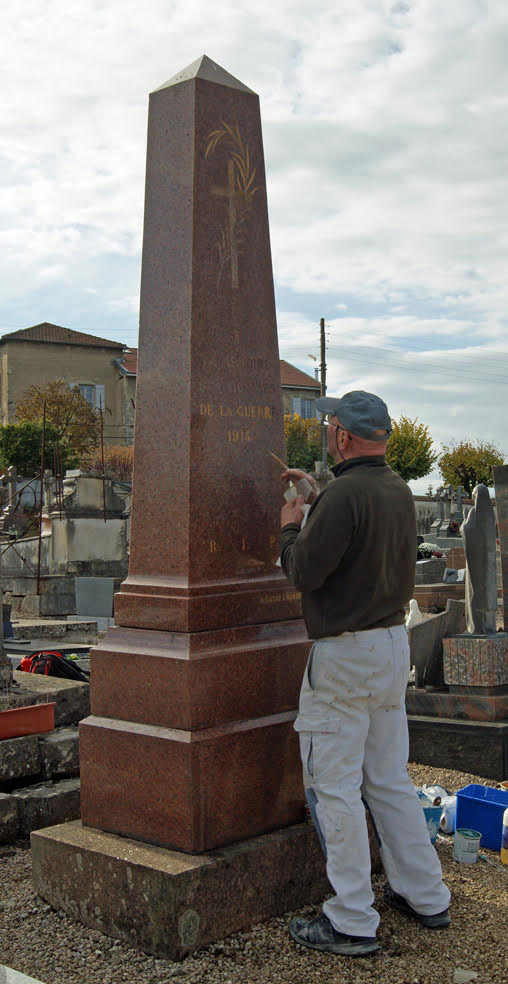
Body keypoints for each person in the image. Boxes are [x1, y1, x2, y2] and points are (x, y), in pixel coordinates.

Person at [279, 390, 450, 958]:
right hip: (390, 646)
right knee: (388, 779)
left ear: (344, 437)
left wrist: (290, 526)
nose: (327, 429)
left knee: (334, 787)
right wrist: (317, 498)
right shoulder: (396, 488)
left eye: (330, 423)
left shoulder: (345, 495)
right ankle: (425, 894)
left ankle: (352, 919)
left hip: (345, 657)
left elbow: (303, 572)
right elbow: (357, 526)